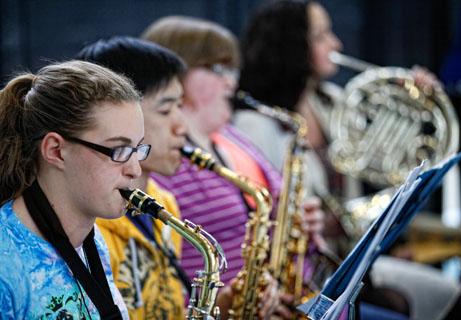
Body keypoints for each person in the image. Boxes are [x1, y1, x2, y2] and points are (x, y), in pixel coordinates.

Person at [233, 1, 461, 319]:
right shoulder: (256, 124)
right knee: (394, 306)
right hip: (312, 273)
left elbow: (392, 160)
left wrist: (420, 102)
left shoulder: (331, 100)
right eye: (322, 36)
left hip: (356, 260)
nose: (337, 44)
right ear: (291, 46)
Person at [140, 15, 325, 318]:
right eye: (218, 69)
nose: (232, 81)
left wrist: (298, 220)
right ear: (175, 72)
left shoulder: (231, 137)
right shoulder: (163, 161)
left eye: (232, 69)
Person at [0, 60, 145, 319]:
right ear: (56, 150)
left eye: (137, 149)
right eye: (118, 150)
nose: (136, 170)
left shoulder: (91, 239)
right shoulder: (5, 266)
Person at [75, 36, 190, 319]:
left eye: (181, 106)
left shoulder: (165, 204)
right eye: (165, 110)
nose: (182, 126)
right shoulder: (87, 225)